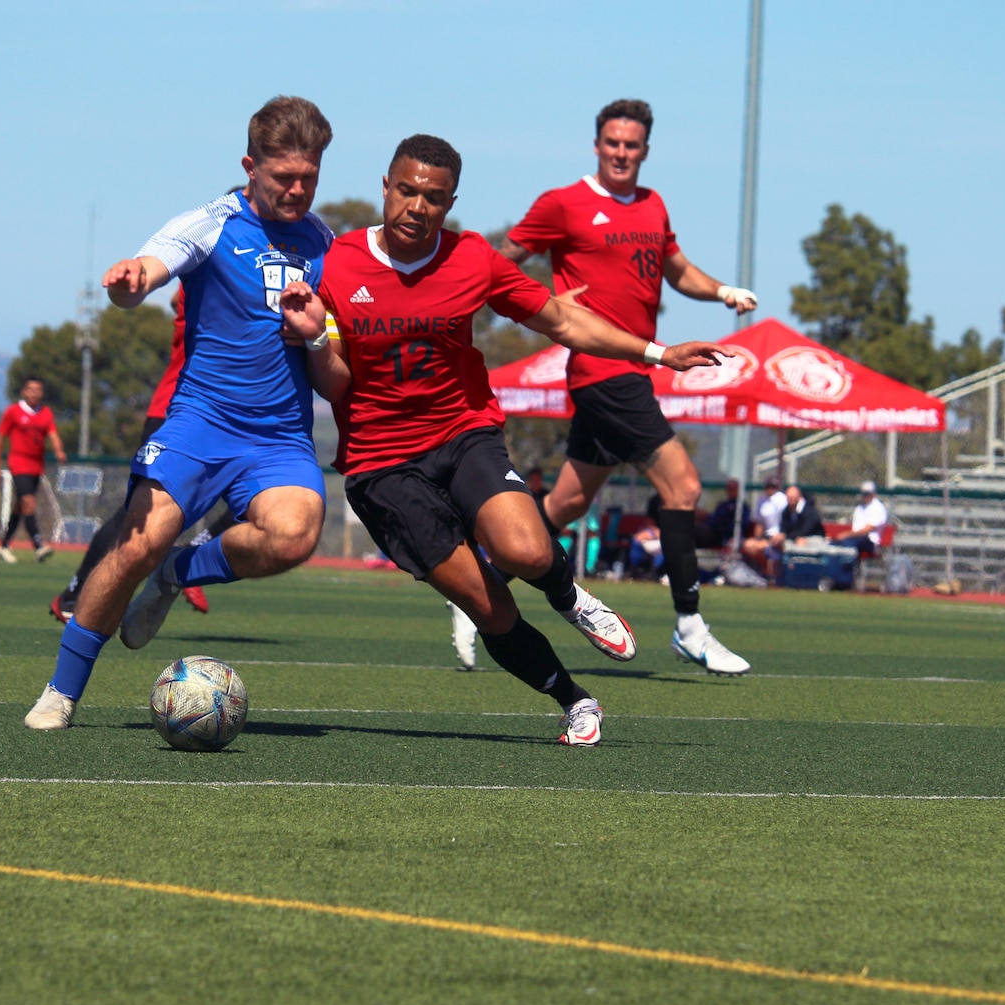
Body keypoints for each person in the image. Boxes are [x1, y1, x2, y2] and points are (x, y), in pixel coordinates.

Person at [280, 134, 723, 745]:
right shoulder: (338, 264)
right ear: (386, 189)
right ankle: (574, 699)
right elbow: (335, 385)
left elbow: (564, 321)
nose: (416, 207)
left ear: (451, 202)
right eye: (406, 191)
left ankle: (570, 597)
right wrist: (311, 338)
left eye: (433, 198)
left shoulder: (473, 259)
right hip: (382, 466)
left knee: (528, 552)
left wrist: (659, 352)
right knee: (492, 608)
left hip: (463, 433)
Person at [23, 96, 336, 732]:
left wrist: (320, 336)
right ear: (250, 166)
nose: (298, 189)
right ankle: (62, 690)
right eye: (284, 177)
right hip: (200, 421)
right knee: (138, 538)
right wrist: (131, 280)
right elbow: (153, 263)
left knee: (296, 535)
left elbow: (338, 367)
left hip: (278, 437)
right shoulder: (213, 221)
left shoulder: (327, 242)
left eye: (309, 177)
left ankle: (177, 573)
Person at [499, 99, 758, 676]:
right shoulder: (563, 203)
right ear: (597, 145)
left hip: (633, 370)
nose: (621, 152)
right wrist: (538, 305)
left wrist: (722, 292)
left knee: (565, 504)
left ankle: (481, 586)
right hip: (603, 371)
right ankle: (690, 625)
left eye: (632, 145)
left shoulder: (652, 205)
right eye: (612, 143)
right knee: (684, 486)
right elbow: (498, 261)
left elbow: (678, 269)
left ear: (645, 150)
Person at [48, 287, 209, 623]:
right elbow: (177, 295)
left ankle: (190, 560)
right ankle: (75, 594)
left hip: (221, 421)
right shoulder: (213, 287)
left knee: (254, 504)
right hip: (173, 413)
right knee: (135, 516)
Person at [0, 376, 67, 563]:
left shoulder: (46, 413)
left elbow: (53, 434)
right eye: (30, 389)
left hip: (36, 466)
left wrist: (59, 451)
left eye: (38, 390)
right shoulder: (13, 412)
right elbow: (0, 439)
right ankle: (38, 546)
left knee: (20, 506)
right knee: (29, 502)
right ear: (24, 391)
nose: (34, 393)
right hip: (18, 463)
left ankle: (4, 545)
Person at [741, 477, 786, 579]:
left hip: (779, 535)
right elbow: (759, 523)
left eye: (773, 486)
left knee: (764, 548)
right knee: (749, 545)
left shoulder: (781, 499)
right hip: (767, 535)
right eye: (768, 486)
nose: (770, 489)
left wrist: (781, 535)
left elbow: (786, 521)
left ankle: (773, 575)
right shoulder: (761, 500)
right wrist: (756, 538)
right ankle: (765, 573)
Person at [839, 481, 889, 559]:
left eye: (868, 494)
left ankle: (847, 569)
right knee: (837, 544)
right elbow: (856, 529)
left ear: (873, 494)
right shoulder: (859, 508)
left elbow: (866, 530)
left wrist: (846, 534)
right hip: (857, 539)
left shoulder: (878, 508)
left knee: (848, 544)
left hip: (870, 542)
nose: (865, 496)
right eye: (864, 494)